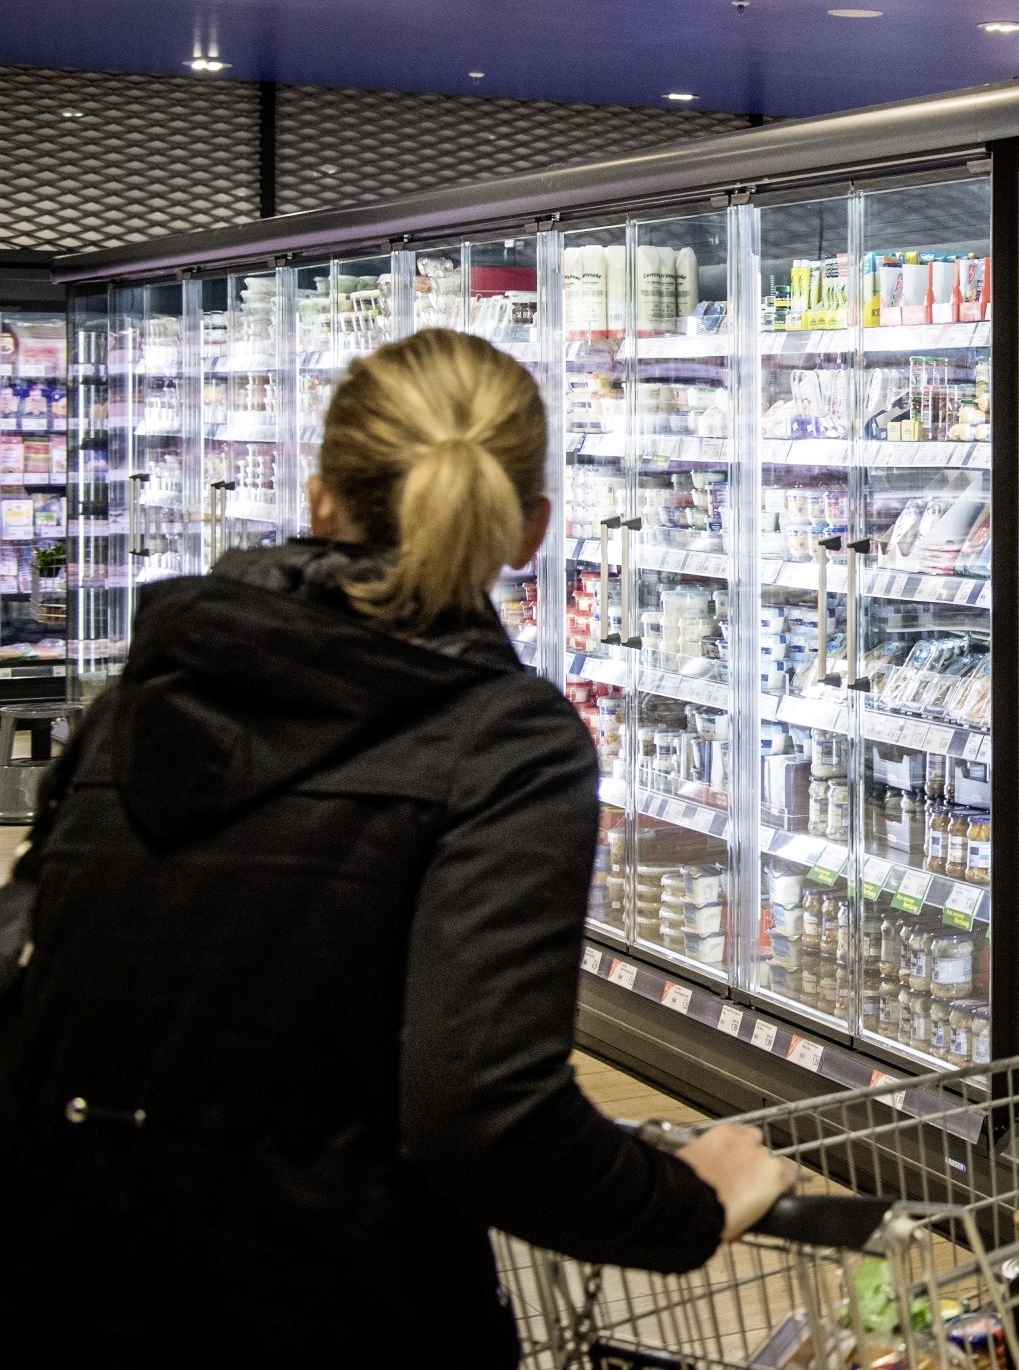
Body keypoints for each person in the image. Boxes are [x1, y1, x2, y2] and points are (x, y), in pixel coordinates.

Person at [0, 327, 795, 1365]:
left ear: (321, 499)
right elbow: (481, 1112)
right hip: (342, 1302)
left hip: (67, 1283)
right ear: (530, 529)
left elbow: (25, 975)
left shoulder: (143, 694)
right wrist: (686, 1200)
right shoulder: (503, 741)